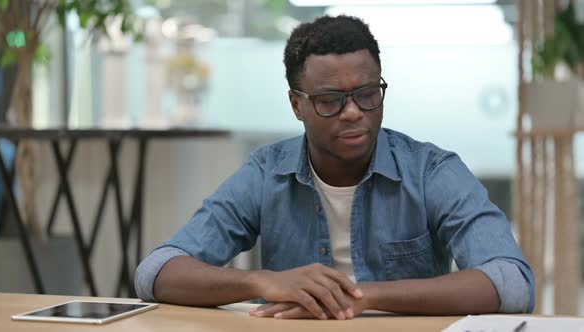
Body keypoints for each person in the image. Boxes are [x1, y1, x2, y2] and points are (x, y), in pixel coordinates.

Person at [135, 15, 534, 320]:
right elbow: (157, 271)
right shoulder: (265, 173)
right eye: (330, 100)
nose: (352, 113)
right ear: (297, 105)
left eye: (366, 95)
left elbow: (511, 280)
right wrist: (263, 282)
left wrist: (363, 298)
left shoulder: (431, 171)